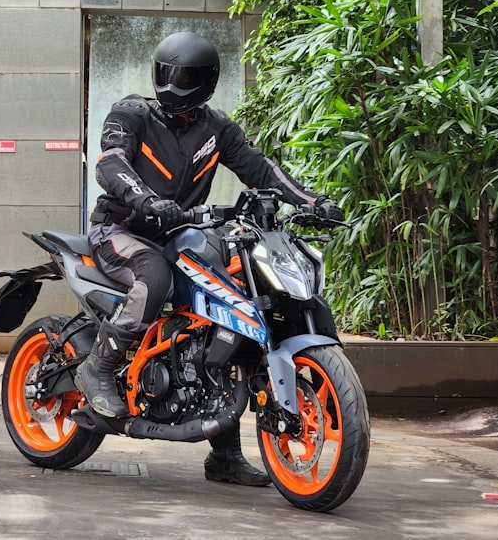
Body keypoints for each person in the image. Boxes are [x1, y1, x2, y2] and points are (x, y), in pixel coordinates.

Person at [75, 30, 343, 487]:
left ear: (206, 81)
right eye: (168, 72)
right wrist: (143, 200)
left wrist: (311, 201)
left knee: (233, 314)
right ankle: (96, 369)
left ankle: (225, 456)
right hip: (120, 230)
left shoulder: (217, 127)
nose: (174, 82)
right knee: (154, 275)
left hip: (182, 231)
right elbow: (110, 163)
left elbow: (263, 170)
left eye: (185, 75)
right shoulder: (131, 112)